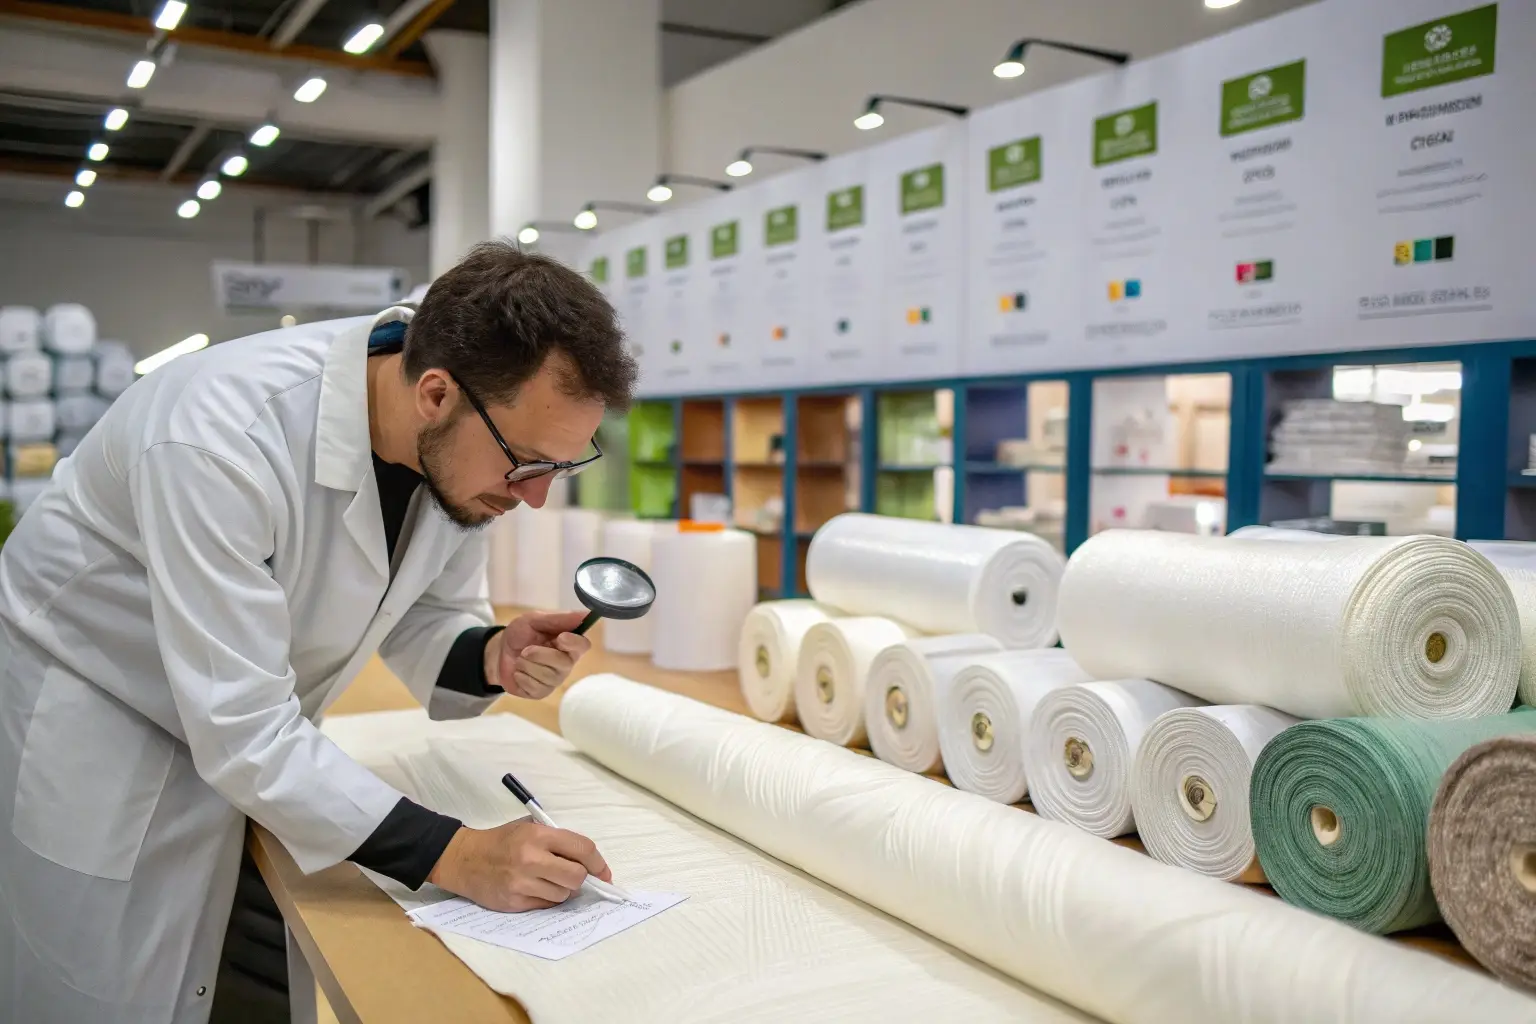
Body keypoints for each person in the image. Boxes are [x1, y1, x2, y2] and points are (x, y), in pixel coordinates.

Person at [0, 242, 638, 1023]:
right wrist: (458, 855)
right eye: (526, 466)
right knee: (102, 989)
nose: (534, 498)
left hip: (247, 716)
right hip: (105, 709)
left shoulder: (465, 447)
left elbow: (424, 612)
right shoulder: (220, 437)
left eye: (561, 470)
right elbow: (243, 728)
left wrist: (490, 656)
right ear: (435, 395)